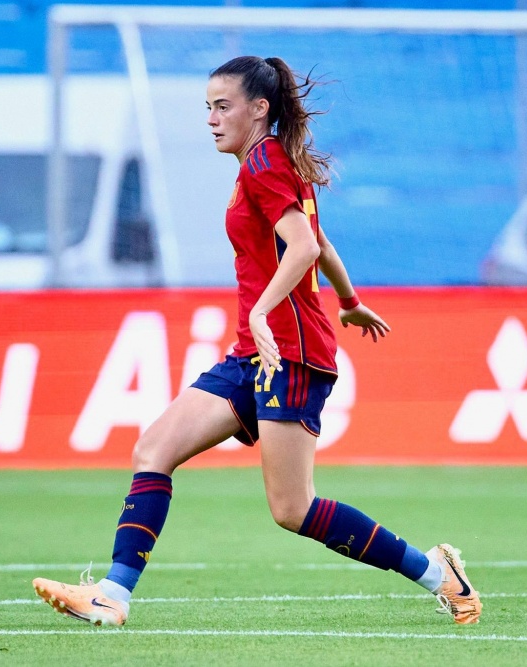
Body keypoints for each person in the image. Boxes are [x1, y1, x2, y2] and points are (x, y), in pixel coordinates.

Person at [32, 55, 481, 627]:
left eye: (223, 107)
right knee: (154, 449)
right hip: (254, 353)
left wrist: (267, 313)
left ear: (258, 109)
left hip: (288, 353)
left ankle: (439, 573)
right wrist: (346, 302)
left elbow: (303, 248)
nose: (212, 119)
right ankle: (113, 596)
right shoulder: (268, 161)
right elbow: (320, 241)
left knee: (292, 509)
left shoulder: (265, 163)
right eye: (208, 108)